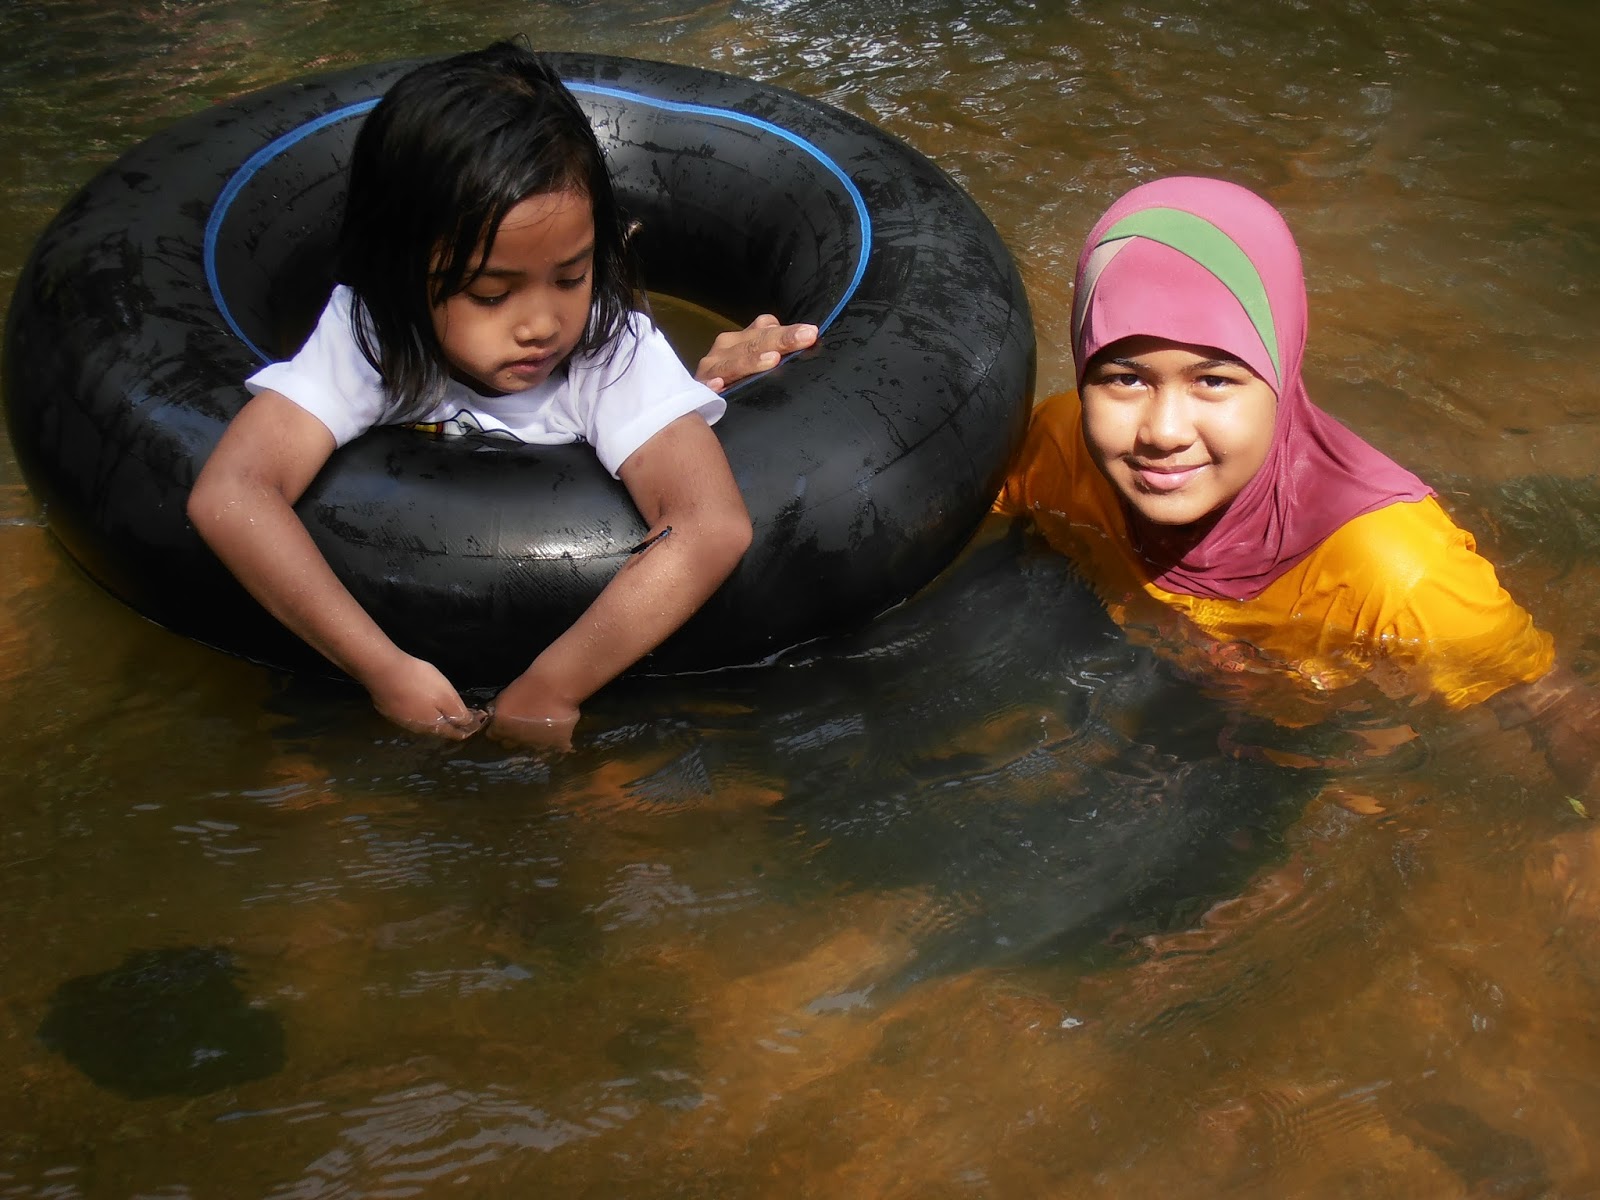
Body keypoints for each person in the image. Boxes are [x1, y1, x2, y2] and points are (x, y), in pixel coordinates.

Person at [188, 41, 815, 749]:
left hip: (618, 682)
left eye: (572, 277)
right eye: (491, 293)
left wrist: (553, 689)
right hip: (384, 668)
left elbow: (710, 525)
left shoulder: (611, 348)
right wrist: (381, 667)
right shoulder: (374, 335)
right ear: (400, 277)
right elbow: (233, 492)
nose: (542, 324)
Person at [995, 175, 1597, 790]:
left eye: (1216, 380)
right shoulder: (1057, 443)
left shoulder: (1401, 576)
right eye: (1124, 378)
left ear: (1281, 371)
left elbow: (1552, 709)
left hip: (1308, 748)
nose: (1164, 432)